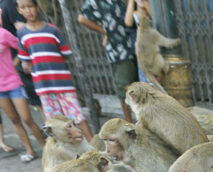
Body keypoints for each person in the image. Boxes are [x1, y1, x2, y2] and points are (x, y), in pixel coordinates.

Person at [16, 0, 93, 141]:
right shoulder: (22, 34)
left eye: (30, 7)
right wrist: (27, 66)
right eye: (23, 8)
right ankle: (71, 156)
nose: (28, 11)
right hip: (44, 87)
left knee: (78, 118)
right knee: (56, 126)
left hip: (63, 84)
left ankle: (95, 149)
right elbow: (25, 60)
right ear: (19, 10)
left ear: (37, 8)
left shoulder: (52, 30)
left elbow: (65, 52)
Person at [78, 0, 138, 122]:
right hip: (119, 51)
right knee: (125, 89)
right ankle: (129, 124)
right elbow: (82, 18)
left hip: (135, 42)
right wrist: (105, 32)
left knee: (140, 87)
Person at [0, 5, 44, 162]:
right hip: (0, 89)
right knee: (14, 120)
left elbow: (22, 45)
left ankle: (46, 149)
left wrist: (15, 63)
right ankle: (30, 151)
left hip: (13, 83)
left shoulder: (4, 34)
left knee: (27, 118)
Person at [124, 0, 150, 83]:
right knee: (147, 83)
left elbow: (154, 18)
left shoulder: (150, 13)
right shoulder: (133, 14)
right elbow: (128, 22)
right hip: (142, 55)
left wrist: (145, 3)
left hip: (155, 52)